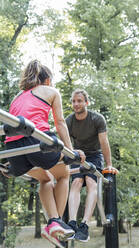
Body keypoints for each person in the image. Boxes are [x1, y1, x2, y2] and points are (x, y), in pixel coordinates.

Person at [4, 60, 85, 246]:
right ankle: (55, 222)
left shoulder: (17, 97)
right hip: (37, 141)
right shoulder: (51, 91)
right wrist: (71, 152)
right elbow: (60, 123)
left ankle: (53, 223)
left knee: (46, 179)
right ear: (47, 80)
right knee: (64, 174)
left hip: (14, 151)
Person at [66, 89, 119, 242]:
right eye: (74, 101)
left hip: (95, 155)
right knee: (76, 182)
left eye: (79, 101)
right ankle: (72, 223)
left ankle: (84, 226)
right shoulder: (69, 121)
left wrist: (109, 165)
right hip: (77, 155)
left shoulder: (97, 119)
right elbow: (66, 144)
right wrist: (73, 154)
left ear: (86, 103)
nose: (76, 104)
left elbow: (104, 142)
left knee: (91, 182)